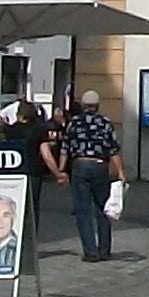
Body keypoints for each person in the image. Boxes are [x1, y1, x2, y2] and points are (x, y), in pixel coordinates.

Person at [60, 89, 121, 261]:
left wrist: (61, 171)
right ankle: (104, 250)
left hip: (80, 165)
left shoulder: (74, 123)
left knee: (83, 210)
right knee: (103, 208)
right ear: (97, 105)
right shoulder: (105, 123)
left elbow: (65, 148)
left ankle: (90, 251)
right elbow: (114, 149)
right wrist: (121, 172)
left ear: (83, 105)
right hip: (100, 165)